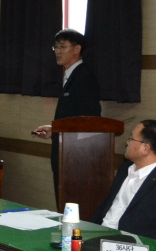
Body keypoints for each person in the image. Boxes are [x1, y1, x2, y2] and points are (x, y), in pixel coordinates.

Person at [89, 119, 156, 245]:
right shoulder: (125, 169)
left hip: (128, 245)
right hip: (99, 236)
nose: (127, 142)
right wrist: (87, 230)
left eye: (131, 138)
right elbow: (108, 205)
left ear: (145, 148)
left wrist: (145, 244)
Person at [29, 30, 102, 195]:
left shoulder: (84, 77)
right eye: (56, 47)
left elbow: (88, 120)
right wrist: (54, 129)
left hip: (76, 157)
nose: (58, 51)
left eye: (62, 47)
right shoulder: (70, 75)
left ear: (77, 49)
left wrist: (59, 130)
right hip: (65, 153)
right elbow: (72, 115)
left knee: (72, 204)